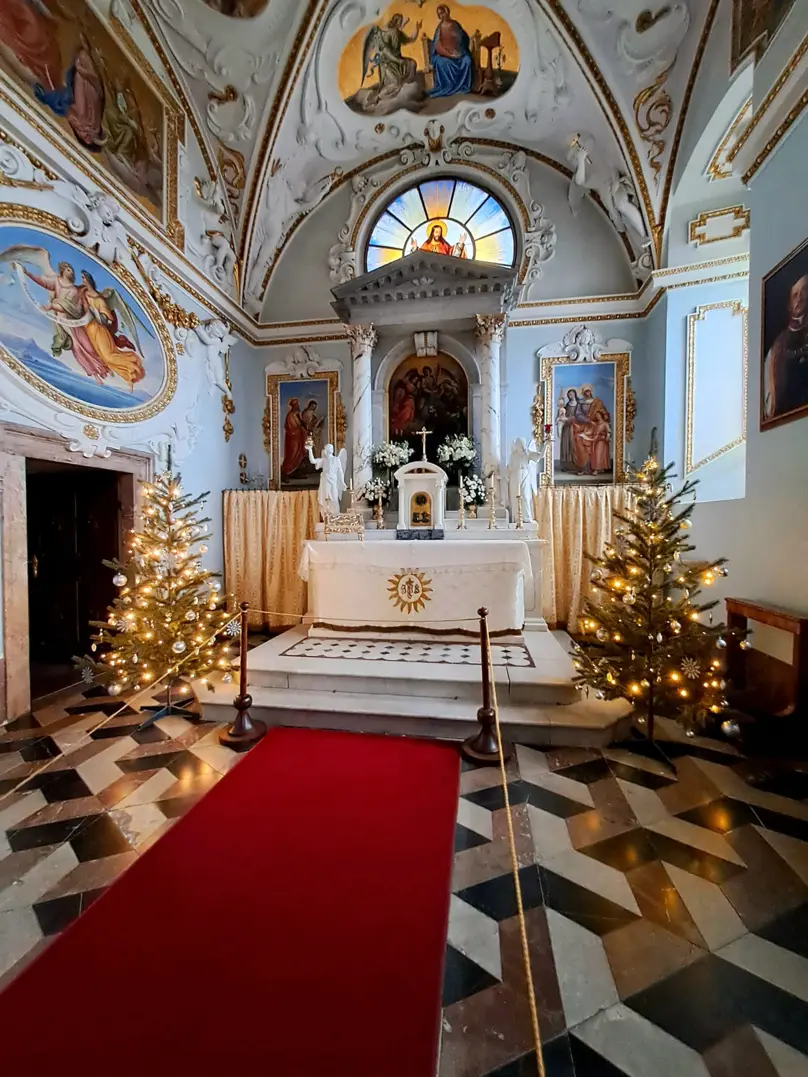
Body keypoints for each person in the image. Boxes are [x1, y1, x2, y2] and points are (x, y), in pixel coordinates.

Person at [19, 259, 110, 382]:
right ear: (62, 270)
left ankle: (103, 367)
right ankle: (95, 374)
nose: (71, 271)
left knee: (87, 346)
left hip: (73, 321)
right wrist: (27, 273)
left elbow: (70, 307)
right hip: (62, 321)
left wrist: (52, 306)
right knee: (76, 347)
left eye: (71, 270)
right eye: (68, 269)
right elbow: (43, 281)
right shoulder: (56, 281)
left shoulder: (74, 289)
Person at [80, 271, 145, 390]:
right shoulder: (83, 294)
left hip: (99, 330)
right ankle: (128, 377)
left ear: (89, 280)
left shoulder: (99, 299)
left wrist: (96, 313)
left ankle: (132, 365)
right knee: (105, 359)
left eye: (84, 278)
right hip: (89, 330)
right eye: (82, 278)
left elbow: (109, 317)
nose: (82, 280)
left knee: (109, 356)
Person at [763, 273, 808, 421]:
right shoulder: (776, 348)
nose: (799, 298)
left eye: (804, 291)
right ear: (789, 305)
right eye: (795, 295)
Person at [67, 35, 105, 150]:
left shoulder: (89, 124)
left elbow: (70, 113)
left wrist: (81, 71)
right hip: (89, 94)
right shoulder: (93, 125)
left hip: (87, 95)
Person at [429, 5, 473, 98]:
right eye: (439, 14)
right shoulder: (439, 28)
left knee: (467, 60)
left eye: (442, 13)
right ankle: (447, 87)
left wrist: (459, 51)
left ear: (447, 12)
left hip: (458, 53)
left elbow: (464, 39)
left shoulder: (455, 24)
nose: (441, 16)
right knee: (442, 63)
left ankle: (462, 86)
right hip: (445, 55)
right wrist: (450, 54)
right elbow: (437, 46)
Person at [306, 441, 347, 519]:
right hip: (325, 481)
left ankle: (335, 516)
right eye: (329, 448)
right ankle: (326, 516)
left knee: (334, 498)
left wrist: (342, 482)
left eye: (331, 448)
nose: (331, 449)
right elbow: (313, 461)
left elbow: (340, 472)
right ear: (326, 450)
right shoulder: (323, 460)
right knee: (325, 498)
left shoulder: (336, 459)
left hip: (333, 481)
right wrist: (310, 450)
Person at [507, 438, 542, 523]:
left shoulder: (527, 453)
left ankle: (527, 517)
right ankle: (517, 517)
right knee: (515, 497)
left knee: (526, 497)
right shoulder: (513, 455)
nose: (517, 445)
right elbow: (510, 468)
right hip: (515, 477)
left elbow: (540, 456)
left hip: (525, 475)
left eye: (518, 443)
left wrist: (546, 445)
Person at [281, 398, 308, 477]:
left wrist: (303, 425)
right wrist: (300, 427)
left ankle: (296, 471)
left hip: (299, 439)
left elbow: (301, 424)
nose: (298, 406)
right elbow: (291, 428)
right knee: (292, 455)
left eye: (298, 405)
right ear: (293, 406)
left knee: (299, 455)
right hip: (293, 439)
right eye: (296, 405)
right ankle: (287, 471)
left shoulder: (297, 415)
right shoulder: (290, 415)